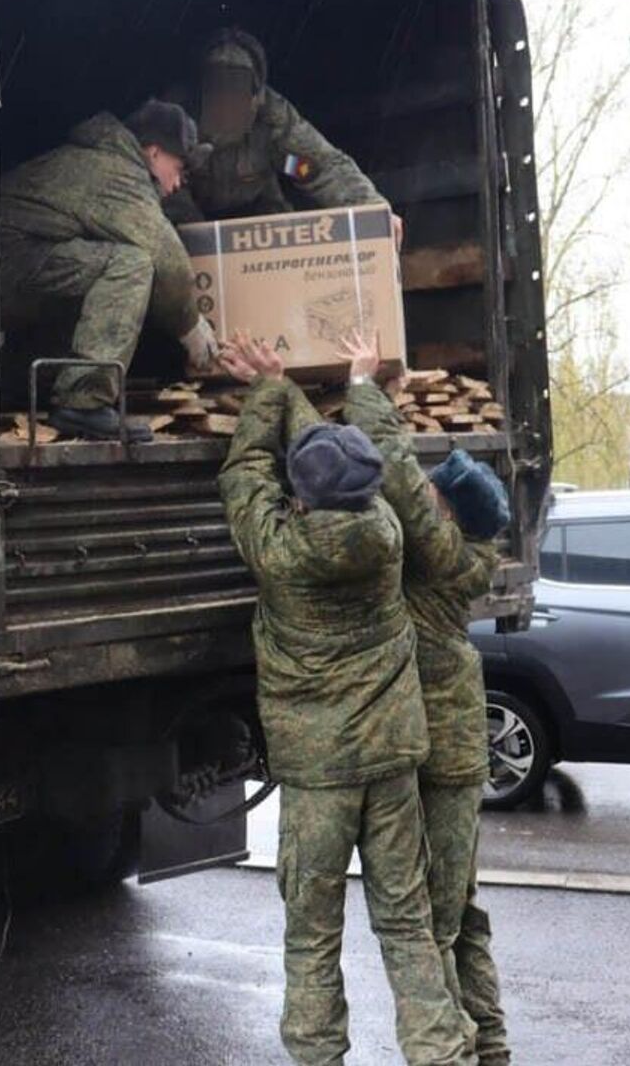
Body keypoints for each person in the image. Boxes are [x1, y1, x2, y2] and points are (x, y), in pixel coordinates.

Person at [215, 332, 474, 1066]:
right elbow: (348, 465)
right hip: (392, 759)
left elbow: (245, 473)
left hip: (318, 773)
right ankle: (440, 1054)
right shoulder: (388, 531)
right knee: (406, 920)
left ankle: (319, 1055)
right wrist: (324, 387)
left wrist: (268, 391)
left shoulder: (281, 553)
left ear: (299, 495)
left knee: (312, 930)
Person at [339, 328, 513, 1066]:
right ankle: (491, 1042)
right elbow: (411, 485)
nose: (427, 498)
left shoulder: (439, 558)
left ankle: (455, 1051)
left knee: (432, 917)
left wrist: (362, 389)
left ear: (449, 516)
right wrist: (394, 402)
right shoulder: (465, 553)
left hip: (439, 760)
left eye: (439, 498)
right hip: (454, 756)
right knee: (462, 910)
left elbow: (402, 486)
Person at [0, 99, 220, 442]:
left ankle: (16, 386)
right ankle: (83, 403)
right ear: (155, 153)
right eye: (180, 169)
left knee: (91, 276)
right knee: (129, 265)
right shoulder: (116, 173)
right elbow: (165, 257)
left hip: (2, 267)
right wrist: (190, 328)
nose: (177, 184)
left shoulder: (98, 161)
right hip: (3, 268)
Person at [165, 28, 404, 249]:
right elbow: (159, 181)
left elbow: (317, 170)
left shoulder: (274, 123)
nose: (227, 104)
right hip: (191, 218)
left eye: (237, 91)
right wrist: (197, 231)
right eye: (218, 89)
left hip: (260, 214)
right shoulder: (175, 118)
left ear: (255, 97)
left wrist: (372, 210)